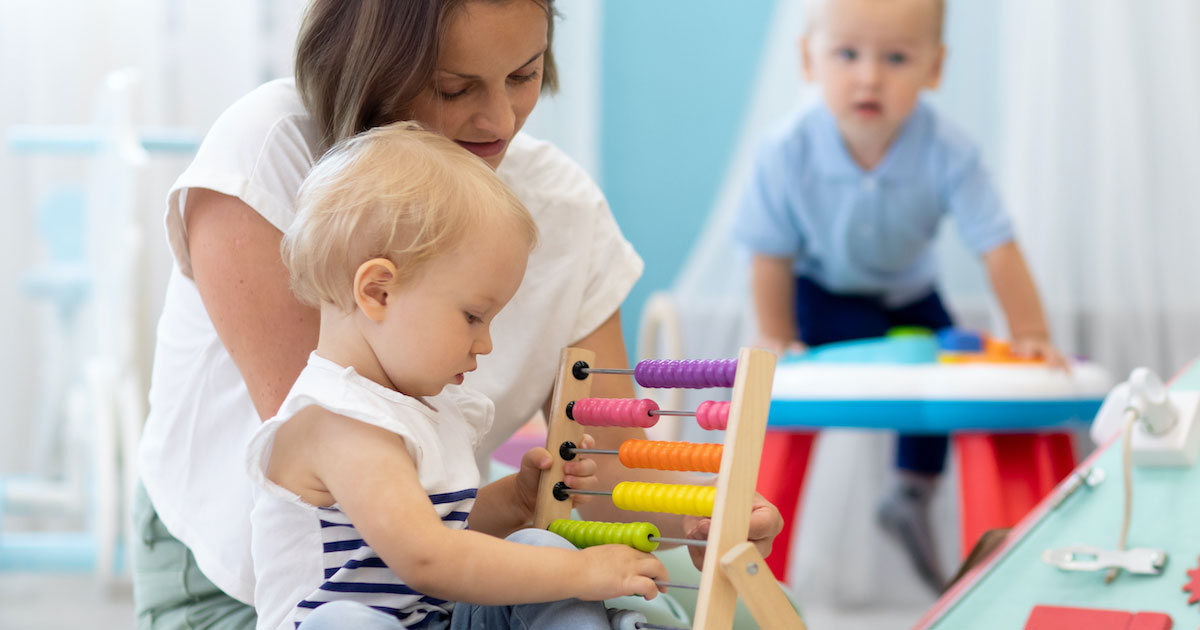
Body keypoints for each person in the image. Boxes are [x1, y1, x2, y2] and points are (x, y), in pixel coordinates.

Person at [134, 1, 783, 627]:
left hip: (439, 573)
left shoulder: (561, 208)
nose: (500, 117)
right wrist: (578, 570)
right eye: (454, 88)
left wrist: (703, 515)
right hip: (261, 583)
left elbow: (597, 473)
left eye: (525, 75)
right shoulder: (272, 147)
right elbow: (381, 523)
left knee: (737, 609)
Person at [249, 120, 667, 630]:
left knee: (537, 542)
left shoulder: (425, 411)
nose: (485, 343)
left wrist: (513, 501)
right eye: (472, 316)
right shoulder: (336, 421)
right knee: (347, 622)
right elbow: (429, 557)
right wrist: (582, 570)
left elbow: (450, 530)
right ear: (378, 292)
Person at [733, 0, 1064, 592]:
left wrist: (1032, 333)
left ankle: (912, 491)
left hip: (911, 294)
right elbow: (769, 254)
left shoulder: (950, 150)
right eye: (847, 55)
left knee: (943, 370)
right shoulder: (786, 149)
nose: (869, 76)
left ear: (934, 69)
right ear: (809, 60)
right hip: (823, 291)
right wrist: (776, 330)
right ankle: (761, 531)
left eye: (896, 58)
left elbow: (998, 246)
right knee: (804, 379)